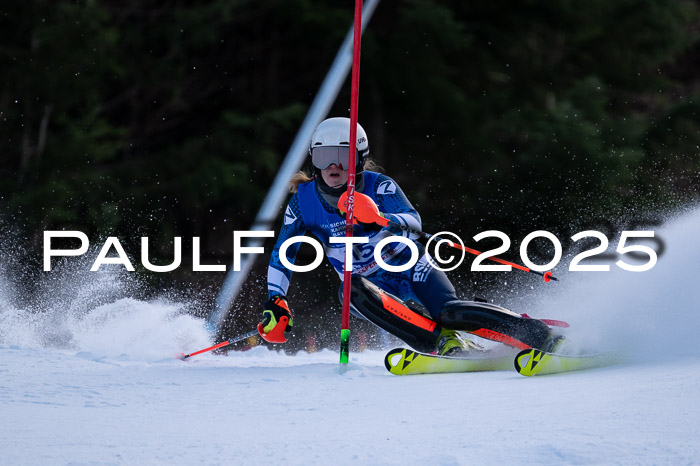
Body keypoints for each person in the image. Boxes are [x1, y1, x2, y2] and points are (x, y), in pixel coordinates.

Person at [258, 117, 561, 355]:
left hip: (411, 267)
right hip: (369, 286)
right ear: (314, 160)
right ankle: (442, 342)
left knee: (449, 312)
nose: (334, 165)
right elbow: (283, 253)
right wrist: (277, 300)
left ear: (359, 160)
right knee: (349, 290)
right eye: (325, 157)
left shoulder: (380, 186)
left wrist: (379, 218)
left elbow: (413, 222)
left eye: (344, 157)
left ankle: (538, 334)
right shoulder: (304, 201)